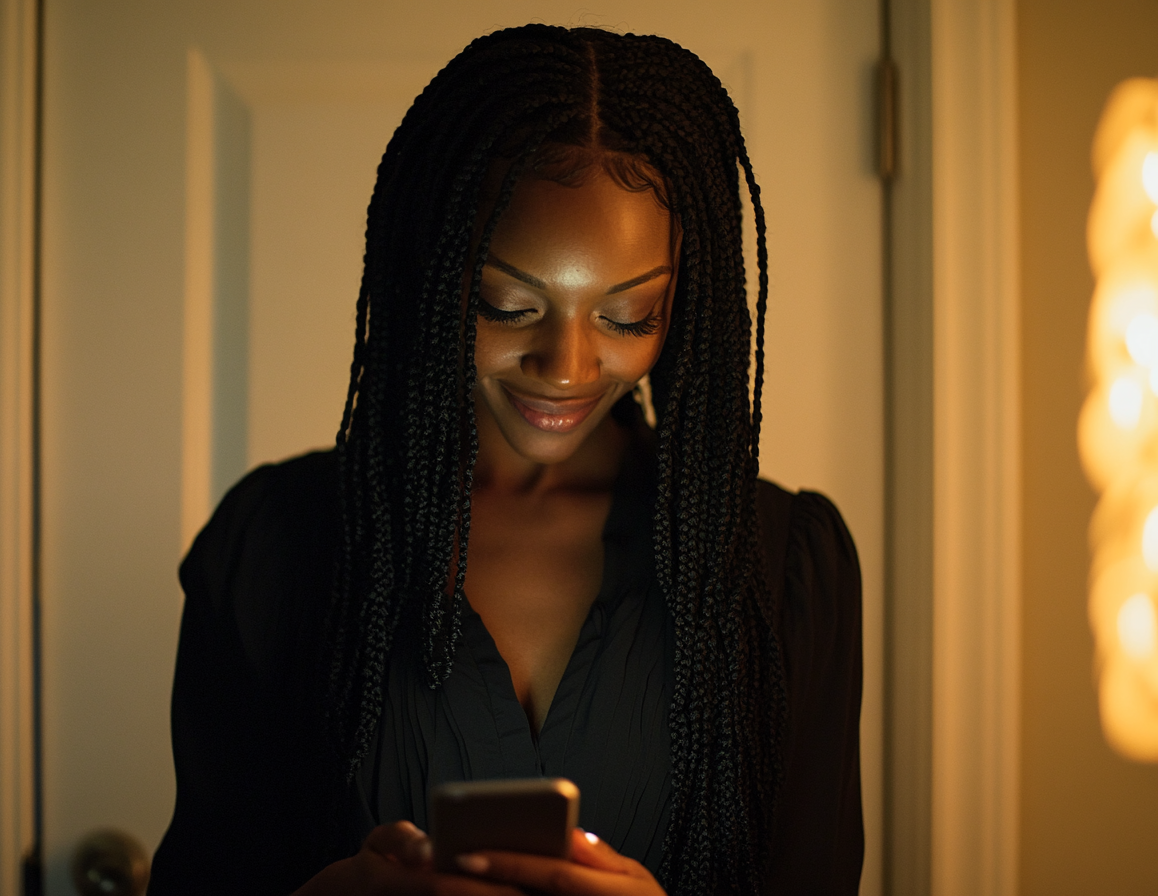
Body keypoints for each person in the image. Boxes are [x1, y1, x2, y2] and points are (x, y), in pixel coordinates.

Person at [148, 24, 862, 896]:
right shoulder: (275, 546)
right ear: (433, 275)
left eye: (628, 316)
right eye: (505, 304)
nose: (565, 367)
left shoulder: (780, 566)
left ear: (686, 307)